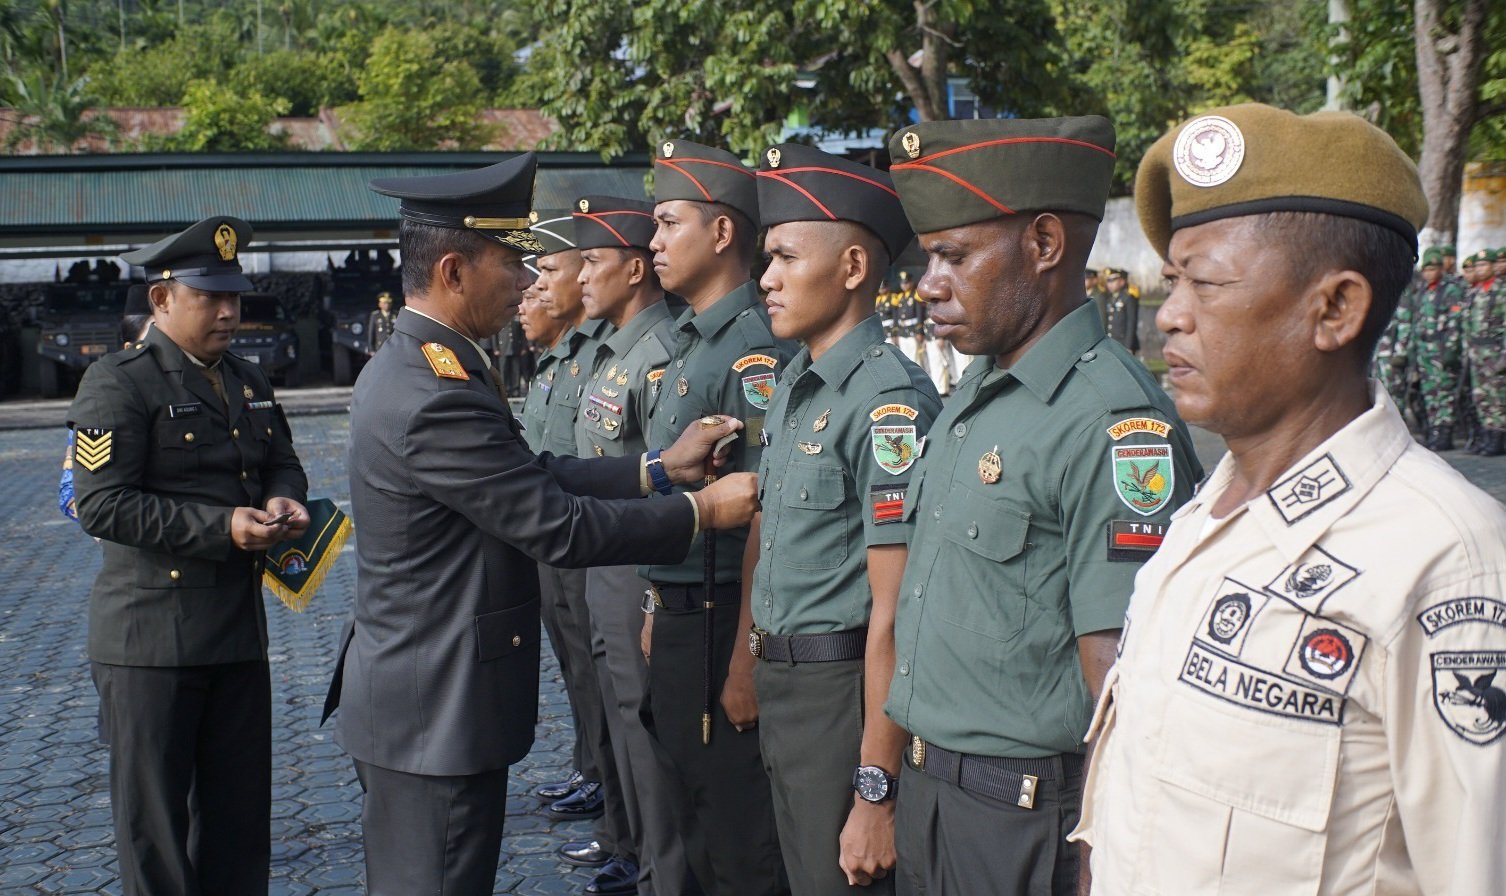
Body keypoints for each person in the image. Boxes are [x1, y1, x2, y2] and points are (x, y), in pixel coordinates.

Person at [1073, 102, 1506, 896]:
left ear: (1335, 309)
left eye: (1204, 283)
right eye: (1172, 281)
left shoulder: (1447, 560)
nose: (1169, 314)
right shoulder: (1208, 514)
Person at [321, 153, 760, 896]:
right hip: (436, 711)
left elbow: (527, 474)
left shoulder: (425, 366)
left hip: (420, 697)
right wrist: (699, 511)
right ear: (454, 272)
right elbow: (554, 525)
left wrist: (655, 470)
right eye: (509, 262)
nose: (528, 280)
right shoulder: (435, 388)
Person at [882, 116, 1200, 895]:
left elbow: (1121, 682)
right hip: (934, 797)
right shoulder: (982, 392)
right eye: (930, 257)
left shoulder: (1114, 423)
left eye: (954, 255)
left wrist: (1108, 860)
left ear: (1046, 244)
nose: (928, 283)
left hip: (1023, 822)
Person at [68, 216, 311, 896]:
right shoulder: (120, 383)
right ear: (162, 300)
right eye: (210, 296)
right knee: (157, 834)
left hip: (235, 633)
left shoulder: (248, 379)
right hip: (149, 642)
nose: (229, 311)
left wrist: (285, 499)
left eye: (234, 295)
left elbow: (282, 463)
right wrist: (222, 526)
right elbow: (102, 506)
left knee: (239, 823)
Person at [747, 143, 942, 895]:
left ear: (854, 268)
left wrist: (875, 787)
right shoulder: (798, 381)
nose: (766, 278)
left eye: (787, 257)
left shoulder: (888, 403)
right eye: (768, 258)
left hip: (842, 700)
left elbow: (896, 612)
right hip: (785, 689)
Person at [642, 137, 793, 895]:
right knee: (693, 826)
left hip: (722, 616)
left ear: (723, 231)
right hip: (679, 614)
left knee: (738, 844)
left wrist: (744, 660)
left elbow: (766, 510)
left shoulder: (752, 351)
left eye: (670, 223)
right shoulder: (691, 338)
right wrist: (652, 601)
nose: (654, 241)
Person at [569, 194, 695, 896]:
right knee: (621, 725)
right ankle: (646, 864)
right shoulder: (613, 350)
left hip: (640, 569)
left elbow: (671, 481)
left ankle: (667, 876)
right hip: (604, 564)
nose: (581, 277)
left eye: (594, 261)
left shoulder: (660, 353)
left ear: (635, 268)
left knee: (649, 738)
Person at [522, 208, 621, 833]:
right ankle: (592, 767)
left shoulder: (596, 356)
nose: (534, 288)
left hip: (592, 532)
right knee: (573, 663)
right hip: (553, 534)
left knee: (596, 665)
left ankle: (607, 781)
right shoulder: (555, 361)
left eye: (547, 273)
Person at [1412, 248, 1466, 450]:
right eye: (1426, 269)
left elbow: (1455, 321)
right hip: (1425, 350)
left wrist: (1451, 349)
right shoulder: (1424, 291)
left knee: (1445, 393)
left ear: (1441, 269)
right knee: (1430, 393)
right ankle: (1435, 432)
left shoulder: (1450, 290)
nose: (1429, 273)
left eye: (1433, 268)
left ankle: (1445, 434)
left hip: (1442, 348)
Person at [1468, 248, 1506, 456]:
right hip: (1477, 351)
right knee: (1481, 395)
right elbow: (1467, 324)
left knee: (1497, 396)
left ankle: (1498, 438)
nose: (1480, 269)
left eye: (1484, 265)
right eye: (1478, 265)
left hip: (1495, 350)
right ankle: (1487, 435)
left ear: (1493, 266)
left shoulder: (1501, 291)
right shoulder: (1474, 293)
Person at [1102, 267, 1140, 354]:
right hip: (1112, 342)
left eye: (1113, 280)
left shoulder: (1128, 298)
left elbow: (1131, 322)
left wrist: (1128, 345)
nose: (1110, 284)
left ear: (1122, 281)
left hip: (1124, 343)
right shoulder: (1109, 298)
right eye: (1108, 281)